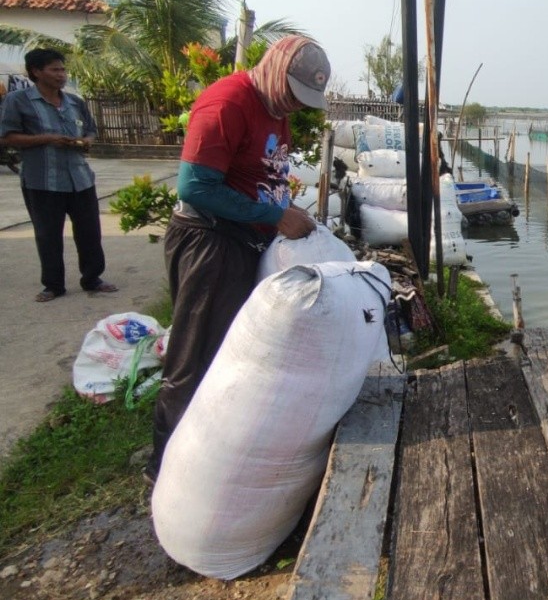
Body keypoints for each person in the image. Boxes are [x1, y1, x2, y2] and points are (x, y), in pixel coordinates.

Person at [145, 36, 330, 483]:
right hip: (209, 241)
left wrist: (284, 210)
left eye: (303, 100)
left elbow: (262, 174)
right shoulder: (228, 102)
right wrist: (274, 215)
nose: (294, 106)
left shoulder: (276, 109)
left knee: (231, 351)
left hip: (242, 239)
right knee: (194, 356)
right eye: (292, 93)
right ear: (274, 69)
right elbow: (195, 187)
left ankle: (210, 449)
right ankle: (165, 466)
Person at [0, 48, 117, 302]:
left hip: (80, 178)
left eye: (63, 69)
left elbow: (90, 130)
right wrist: (49, 139)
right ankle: (53, 285)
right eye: (55, 69)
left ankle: (92, 278)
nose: (61, 75)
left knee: (89, 232)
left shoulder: (75, 102)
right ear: (36, 72)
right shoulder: (18, 101)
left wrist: (85, 141)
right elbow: (7, 136)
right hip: (43, 181)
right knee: (48, 234)